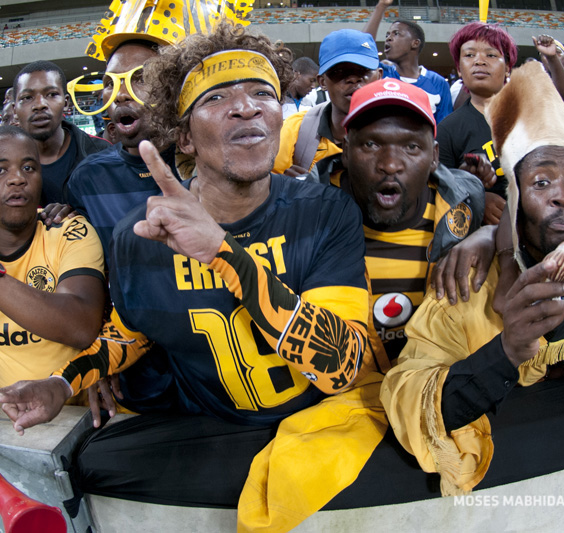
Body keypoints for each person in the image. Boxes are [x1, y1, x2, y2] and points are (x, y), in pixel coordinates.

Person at [0, 24, 379, 528]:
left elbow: (343, 366)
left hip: (317, 426)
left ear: (279, 113)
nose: (245, 107)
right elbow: (132, 334)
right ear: (182, 136)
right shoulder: (141, 235)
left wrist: (225, 254)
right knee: (91, 468)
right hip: (207, 431)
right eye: (216, 97)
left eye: (262, 92)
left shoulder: (325, 211)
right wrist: (59, 382)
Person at [381, 61, 564, 495]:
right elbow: (408, 399)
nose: (563, 196)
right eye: (542, 182)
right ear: (515, 199)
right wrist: (506, 352)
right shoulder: (465, 287)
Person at [311, 79, 484, 365]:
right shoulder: (307, 211)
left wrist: (491, 235)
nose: (390, 164)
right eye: (371, 144)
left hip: (431, 378)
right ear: (346, 150)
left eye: (411, 146)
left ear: (434, 157)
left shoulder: (464, 200)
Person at [0, 125, 105, 387]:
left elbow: (81, 326)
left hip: (71, 406)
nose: (17, 179)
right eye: (1, 170)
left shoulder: (69, 230)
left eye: (28, 168)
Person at [66, 40, 180, 257]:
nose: (120, 95)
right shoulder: (88, 179)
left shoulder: (206, 167)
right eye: (111, 83)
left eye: (141, 79)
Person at [436, 22, 518, 225]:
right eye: (469, 55)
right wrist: (476, 199)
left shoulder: (533, 116)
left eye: (491, 55)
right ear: (459, 69)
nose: (479, 61)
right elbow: (440, 194)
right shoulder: (447, 130)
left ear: (508, 67)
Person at [273, 29, 381, 176]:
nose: (353, 79)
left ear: (379, 76)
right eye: (340, 71)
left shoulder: (402, 131)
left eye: (364, 70)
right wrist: (288, 187)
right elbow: (266, 185)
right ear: (322, 82)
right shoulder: (295, 130)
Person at [13, 61, 109, 205]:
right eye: (27, 97)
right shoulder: (4, 162)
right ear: (14, 109)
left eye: (51, 94)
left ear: (66, 103)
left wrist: (81, 214)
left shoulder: (102, 153)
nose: (40, 105)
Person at [364, 0, 452, 123]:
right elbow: (362, 47)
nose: (388, 38)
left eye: (396, 33)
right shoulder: (381, 73)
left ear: (415, 43)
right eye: (387, 35)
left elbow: (444, 128)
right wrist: (381, 6)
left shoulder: (438, 83)